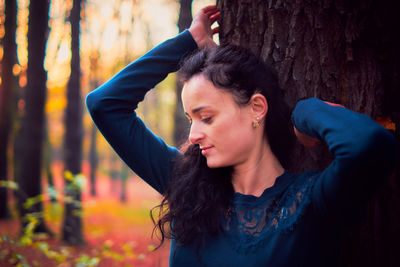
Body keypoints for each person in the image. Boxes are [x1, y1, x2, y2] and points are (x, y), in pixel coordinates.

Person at [86, 5, 398, 267]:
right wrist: (190, 41)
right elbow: (105, 104)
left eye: (206, 117)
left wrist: (303, 113)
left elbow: (369, 144)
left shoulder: (314, 202)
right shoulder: (185, 185)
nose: (193, 134)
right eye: (190, 119)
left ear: (257, 109)